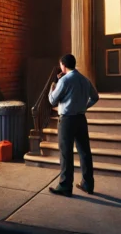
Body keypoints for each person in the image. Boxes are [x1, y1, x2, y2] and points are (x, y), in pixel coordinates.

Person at [48, 54, 99, 197]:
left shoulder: (64, 81)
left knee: (66, 153)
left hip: (67, 120)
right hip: (81, 118)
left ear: (63, 65)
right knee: (84, 152)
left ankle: (65, 186)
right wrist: (84, 106)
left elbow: (52, 100)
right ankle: (88, 184)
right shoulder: (84, 79)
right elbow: (95, 97)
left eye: (60, 65)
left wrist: (54, 85)